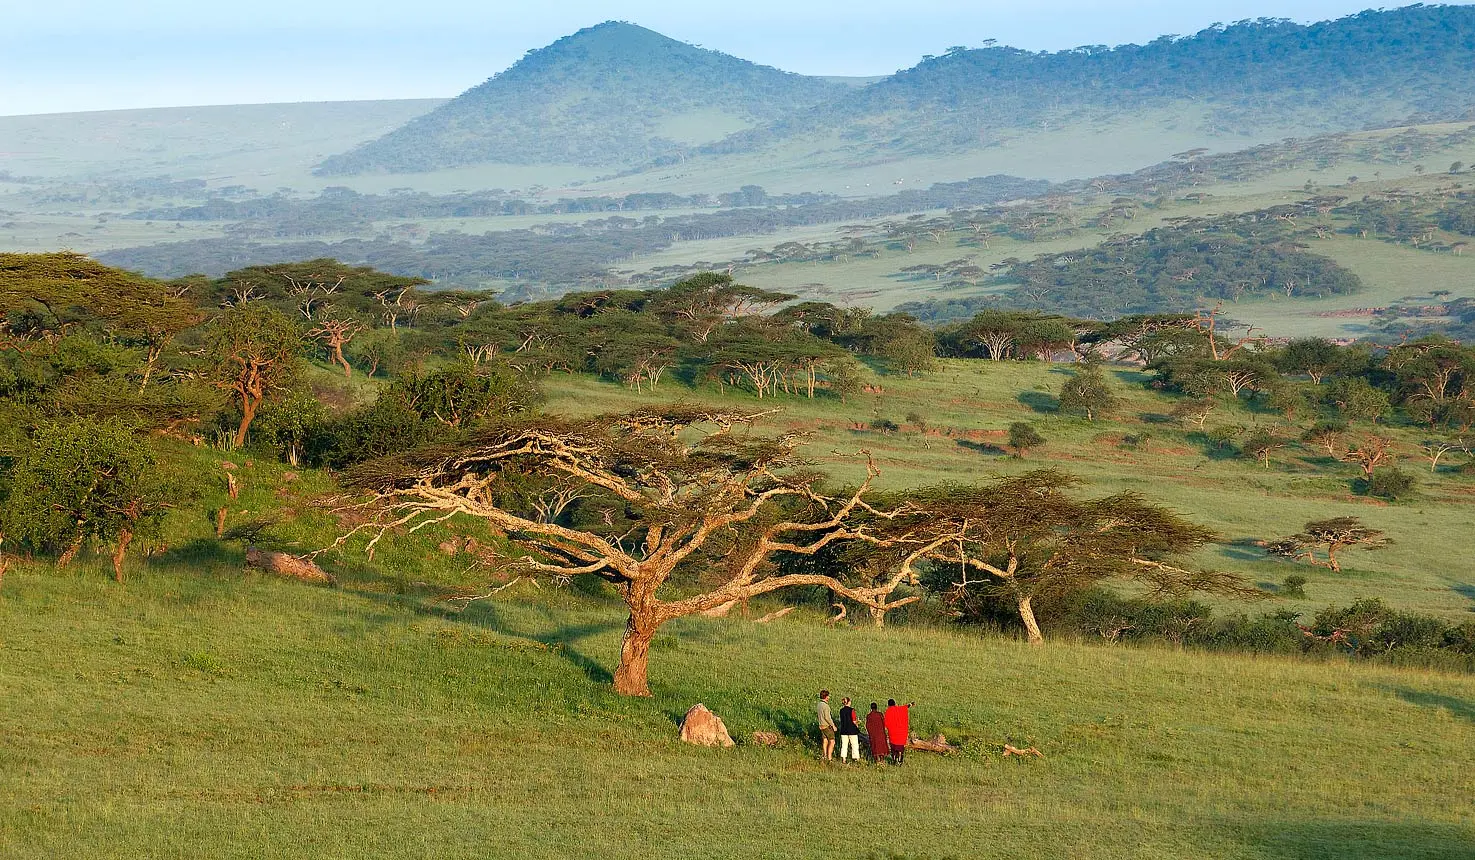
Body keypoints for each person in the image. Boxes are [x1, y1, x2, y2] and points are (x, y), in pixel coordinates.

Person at [884, 698, 912, 765]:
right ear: (895, 704)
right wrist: (911, 704)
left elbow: (886, 723)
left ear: (888, 705)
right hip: (901, 734)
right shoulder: (900, 709)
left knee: (893, 748)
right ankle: (900, 761)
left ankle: (894, 760)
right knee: (900, 748)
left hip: (893, 734)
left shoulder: (888, 711)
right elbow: (906, 707)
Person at [836, 697, 861, 763]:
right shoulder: (852, 710)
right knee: (854, 745)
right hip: (852, 730)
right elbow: (854, 721)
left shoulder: (841, 710)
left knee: (844, 745)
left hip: (843, 730)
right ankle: (856, 758)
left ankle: (844, 759)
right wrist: (858, 723)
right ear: (849, 702)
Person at [816, 690, 837, 762]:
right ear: (826, 697)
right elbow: (827, 717)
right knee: (832, 741)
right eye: (828, 696)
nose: (829, 697)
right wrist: (833, 725)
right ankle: (829, 757)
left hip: (821, 725)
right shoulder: (826, 706)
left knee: (825, 740)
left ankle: (824, 755)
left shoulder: (819, 705)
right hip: (826, 726)